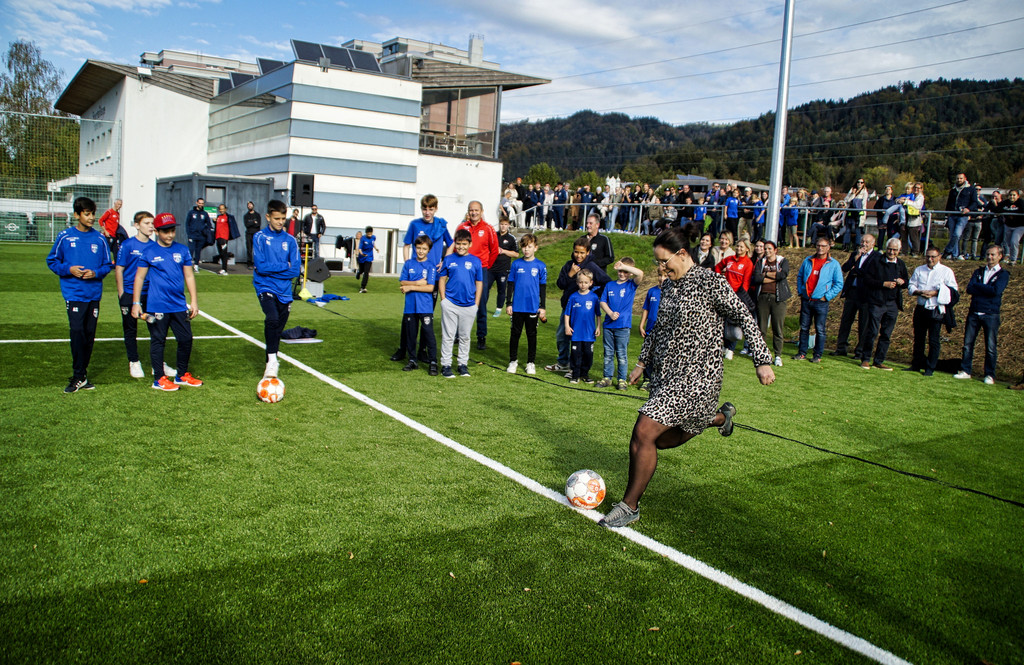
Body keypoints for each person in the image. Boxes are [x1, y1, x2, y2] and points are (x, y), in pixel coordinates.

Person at [598, 225, 775, 528]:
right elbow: (658, 328)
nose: (661, 269)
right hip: (666, 376)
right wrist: (641, 363)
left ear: (682, 254)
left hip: (699, 377)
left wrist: (762, 359)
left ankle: (629, 506)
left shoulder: (711, 282)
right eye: (657, 264)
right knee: (662, 441)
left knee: (643, 432)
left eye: (664, 262)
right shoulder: (668, 287)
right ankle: (719, 418)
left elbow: (745, 314)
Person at [46, 196, 112, 393]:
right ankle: (78, 375)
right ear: (77, 215)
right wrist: (69, 269)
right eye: (87, 214)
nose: (91, 217)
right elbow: (52, 261)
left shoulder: (100, 239)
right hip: (74, 293)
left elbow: (107, 265)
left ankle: (82, 376)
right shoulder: (65, 236)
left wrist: (96, 273)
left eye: (93, 213)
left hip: (93, 294)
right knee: (77, 332)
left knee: (89, 335)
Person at [131, 213, 203, 391]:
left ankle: (182, 375)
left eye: (172, 231)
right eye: (165, 232)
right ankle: (159, 378)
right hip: (157, 305)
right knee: (158, 340)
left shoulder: (182, 250)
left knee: (186, 338)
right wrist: (136, 302)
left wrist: (194, 301)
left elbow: (189, 275)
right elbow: (139, 278)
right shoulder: (149, 252)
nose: (170, 235)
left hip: (179, 304)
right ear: (156, 232)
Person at [392, 194, 452, 363]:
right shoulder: (414, 224)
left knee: (427, 316)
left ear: (435, 209)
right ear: (421, 209)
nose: (427, 212)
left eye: (430, 209)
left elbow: (451, 243)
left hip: (432, 276)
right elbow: (406, 245)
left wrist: (444, 260)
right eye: (425, 209)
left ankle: (423, 351)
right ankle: (403, 349)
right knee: (408, 316)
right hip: (415, 277)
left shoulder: (441, 225)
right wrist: (407, 265)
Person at [252, 200, 301, 379]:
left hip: (284, 290)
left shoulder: (291, 240)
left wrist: (274, 270)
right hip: (264, 286)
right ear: (268, 217)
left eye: (283, 219)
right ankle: (271, 362)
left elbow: (295, 270)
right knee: (271, 318)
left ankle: (272, 359)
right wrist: (284, 266)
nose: (281, 222)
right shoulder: (259, 237)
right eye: (277, 218)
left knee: (277, 328)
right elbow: (260, 267)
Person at [546, 238, 610, 374]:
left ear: (588, 252)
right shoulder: (569, 265)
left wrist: (592, 294)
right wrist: (570, 274)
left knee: (579, 341)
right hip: (568, 310)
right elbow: (560, 284)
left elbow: (606, 282)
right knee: (562, 336)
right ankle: (563, 362)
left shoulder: (592, 267)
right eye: (576, 252)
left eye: (582, 253)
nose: (579, 255)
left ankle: (576, 368)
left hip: (584, 312)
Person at [954, 245, 1009, 384]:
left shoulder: (1003, 274)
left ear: (999, 256)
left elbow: (996, 291)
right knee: (968, 344)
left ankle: (990, 374)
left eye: (993, 255)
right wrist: (985, 289)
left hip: (991, 313)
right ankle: (966, 370)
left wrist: (980, 287)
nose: (990, 257)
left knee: (990, 346)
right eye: (988, 254)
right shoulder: (979, 271)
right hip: (974, 311)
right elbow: (969, 288)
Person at [437, 229, 483, 379]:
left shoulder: (476, 261)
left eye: (464, 244)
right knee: (448, 336)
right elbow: (442, 279)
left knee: (465, 337)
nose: (461, 247)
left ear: (470, 244)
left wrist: (476, 303)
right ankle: (446, 365)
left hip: (469, 305)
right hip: (450, 303)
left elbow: (479, 282)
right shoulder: (449, 259)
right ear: (455, 244)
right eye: (458, 244)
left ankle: (462, 364)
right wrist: (443, 299)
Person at [858, 238, 908, 370]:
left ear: (899, 251)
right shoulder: (876, 262)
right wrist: (883, 284)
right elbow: (867, 279)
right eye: (889, 249)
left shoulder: (901, 264)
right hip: (877, 302)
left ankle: (879, 360)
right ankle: (866, 358)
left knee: (886, 334)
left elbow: (906, 282)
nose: (891, 252)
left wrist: (902, 282)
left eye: (895, 250)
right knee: (872, 331)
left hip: (892, 304)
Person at [115, 211, 155, 379]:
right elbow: (119, 268)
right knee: (130, 329)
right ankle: (134, 361)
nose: (151, 226)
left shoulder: (154, 246)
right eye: (146, 223)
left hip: (150, 295)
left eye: (152, 223)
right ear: (137, 225)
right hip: (130, 294)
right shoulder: (128, 245)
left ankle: (157, 362)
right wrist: (122, 293)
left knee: (156, 328)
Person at [906, 247, 958, 376]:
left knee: (933, 340)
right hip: (921, 307)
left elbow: (953, 291)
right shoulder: (919, 270)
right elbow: (911, 286)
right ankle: (916, 364)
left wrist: (935, 293)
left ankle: (930, 367)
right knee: (919, 338)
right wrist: (919, 292)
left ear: (939, 257)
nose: (930, 259)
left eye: (933, 257)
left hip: (935, 309)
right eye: (928, 256)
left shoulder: (946, 271)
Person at [456, 201, 499, 350]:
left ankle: (481, 336)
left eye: (476, 210)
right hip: (463, 271)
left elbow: (494, 251)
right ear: (468, 212)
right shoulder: (462, 227)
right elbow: (456, 248)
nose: (473, 213)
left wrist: (485, 266)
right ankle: (458, 334)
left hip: (481, 271)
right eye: (471, 210)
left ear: (481, 211)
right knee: (460, 301)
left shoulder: (488, 229)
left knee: (480, 304)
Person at [793, 237, 844, 362]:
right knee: (804, 327)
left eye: (823, 246)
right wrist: (801, 291)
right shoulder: (808, 260)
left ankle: (817, 355)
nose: (820, 248)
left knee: (820, 329)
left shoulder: (833, 264)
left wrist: (826, 296)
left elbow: (838, 283)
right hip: (806, 300)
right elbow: (800, 276)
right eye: (818, 245)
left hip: (821, 302)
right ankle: (802, 352)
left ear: (828, 247)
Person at [596, 258, 644, 390]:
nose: (622, 273)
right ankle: (607, 377)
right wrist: (610, 313)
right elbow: (602, 302)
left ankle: (622, 379)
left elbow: (640, 274)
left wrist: (625, 266)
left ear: (629, 272)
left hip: (623, 326)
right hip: (608, 325)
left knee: (622, 354)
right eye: (620, 271)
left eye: (625, 271)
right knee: (608, 353)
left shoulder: (631, 285)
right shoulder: (610, 285)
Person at [832, 234, 880, 358]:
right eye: (862, 241)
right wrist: (856, 259)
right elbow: (846, 268)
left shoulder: (877, 257)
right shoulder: (856, 254)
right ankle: (841, 347)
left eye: (867, 242)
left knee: (863, 324)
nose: (864, 244)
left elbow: (870, 274)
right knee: (846, 321)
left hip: (865, 294)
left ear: (873, 244)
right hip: (852, 292)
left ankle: (860, 351)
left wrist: (857, 270)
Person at [505, 233, 546, 375]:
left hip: (532, 306)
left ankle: (530, 362)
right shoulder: (516, 264)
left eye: (529, 247)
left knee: (531, 335)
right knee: (515, 334)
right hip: (517, 306)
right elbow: (510, 284)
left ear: (535, 248)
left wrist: (542, 307)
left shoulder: (540, 266)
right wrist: (508, 303)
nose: (526, 250)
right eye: (524, 247)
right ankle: (513, 360)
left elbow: (543, 288)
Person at [398, 235, 438, 374]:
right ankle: (412, 360)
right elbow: (402, 281)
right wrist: (417, 283)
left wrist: (410, 287)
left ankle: (433, 362)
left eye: (424, 249)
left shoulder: (431, 267)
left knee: (428, 334)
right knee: (411, 334)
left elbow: (430, 288)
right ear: (415, 248)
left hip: (425, 307)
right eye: (419, 248)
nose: (421, 251)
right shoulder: (409, 263)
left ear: (428, 250)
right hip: (410, 306)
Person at [750, 240, 790, 367]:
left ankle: (778, 355)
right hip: (762, 297)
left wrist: (765, 275)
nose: (767, 251)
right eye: (765, 249)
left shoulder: (782, 261)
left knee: (777, 327)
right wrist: (771, 276)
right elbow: (756, 278)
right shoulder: (761, 262)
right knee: (761, 327)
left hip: (778, 298)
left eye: (769, 249)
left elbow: (782, 275)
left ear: (775, 250)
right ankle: (762, 353)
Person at [715, 239, 755, 360]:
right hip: (724, 293)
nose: (739, 249)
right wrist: (719, 280)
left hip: (737, 296)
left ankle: (731, 349)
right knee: (722, 321)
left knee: (733, 322)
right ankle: (722, 346)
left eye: (742, 247)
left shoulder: (748, 263)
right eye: (738, 246)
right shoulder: (730, 259)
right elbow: (717, 267)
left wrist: (739, 297)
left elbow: (746, 283)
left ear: (747, 249)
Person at [564, 270, 601, 384]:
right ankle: (575, 375)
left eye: (585, 282)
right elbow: (567, 313)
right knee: (576, 354)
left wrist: (598, 327)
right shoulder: (573, 297)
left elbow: (598, 315)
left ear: (591, 283)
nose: (583, 285)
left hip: (589, 333)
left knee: (588, 355)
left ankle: (585, 374)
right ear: (577, 282)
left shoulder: (594, 297)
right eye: (580, 282)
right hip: (576, 333)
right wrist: (567, 326)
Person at [942, 172, 981, 260]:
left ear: (965, 179)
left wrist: (968, 209)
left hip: (963, 215)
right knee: (953, 236)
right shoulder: (953, 190)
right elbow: (949, 203)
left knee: (957, 234)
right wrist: (946, 216)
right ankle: (955, 254)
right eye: (957, 178)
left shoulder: (970, 190)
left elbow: (974, 202)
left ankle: (947, 250)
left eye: (961, 178)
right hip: (952, 215)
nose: (959, 180)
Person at [491, 216, 519, 317]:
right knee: (485, 287)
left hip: (503, 269)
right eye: (502, 224)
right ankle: (480, 307)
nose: (503, 226)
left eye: (505, 224)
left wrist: (503, 251)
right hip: (490, 267)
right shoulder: (493, 235)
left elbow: (516, 254)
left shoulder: (511, 238)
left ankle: (498, 309)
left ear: (508, 225)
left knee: (501, 289)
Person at [185, 198, 211, 272]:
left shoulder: (205, 214)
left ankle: (196, 265)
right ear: (197, 203)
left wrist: (206, 232)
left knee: (198, 251)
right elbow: (187, 224)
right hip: (192, 235)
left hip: (201, 236)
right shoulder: (191, 212)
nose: (201, 205)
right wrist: (189, 234)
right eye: (200, 203)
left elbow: (209, 224)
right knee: (191, 250)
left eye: (202, 203)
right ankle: (188, 265)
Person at [213, 203, 240, 276]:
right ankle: (223, 268)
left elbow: (232, 226)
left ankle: (224, 269)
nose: (221, 210)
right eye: (220, 209)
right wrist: (214, 221)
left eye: (222, 209)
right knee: (221, 253)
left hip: (224, 237)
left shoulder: (228, 217)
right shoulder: (218, 217)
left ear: (225, 209)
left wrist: (232, 235)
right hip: (217, 237)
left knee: (224, 254)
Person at [1000, 189, 1024, 263]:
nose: (1012, 197)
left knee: (1014, 241)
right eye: (1010, 195)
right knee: (1006, 242)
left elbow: (1022, 210)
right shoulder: (1005, 203)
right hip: (1008, 225)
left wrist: (1010, 211)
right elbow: (997, 209)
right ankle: (1006, 257)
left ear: (1017, 196)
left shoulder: (1021, 202)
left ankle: (1013, 259)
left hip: (1019, 226)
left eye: (1014, 195)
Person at [356, 226, 379, 293]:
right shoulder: (363, 238)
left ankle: (363, 287)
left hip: (369, 257)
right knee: (361, 270)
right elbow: (359, 248)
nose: (369, 235)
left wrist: (376, 248)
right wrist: (362, 254)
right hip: (362, 257)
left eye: (370, 233)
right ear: (366, 233)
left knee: (366, 272)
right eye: (368, 234)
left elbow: (373, 243)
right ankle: (358, 273)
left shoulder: (373, 237)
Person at [242, 201, 261, 269]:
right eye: (248, 205)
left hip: (256, 234)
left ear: (253, 206)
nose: (249, 206)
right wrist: (253, 222)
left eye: (250, 205)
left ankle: (256, 263)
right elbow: (247, 225)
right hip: (248, 233)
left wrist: (252, 223)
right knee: (249, 249)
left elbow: (258, 224)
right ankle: (249, 263)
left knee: (257, 249)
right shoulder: (246, 216)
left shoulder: (257, 215)